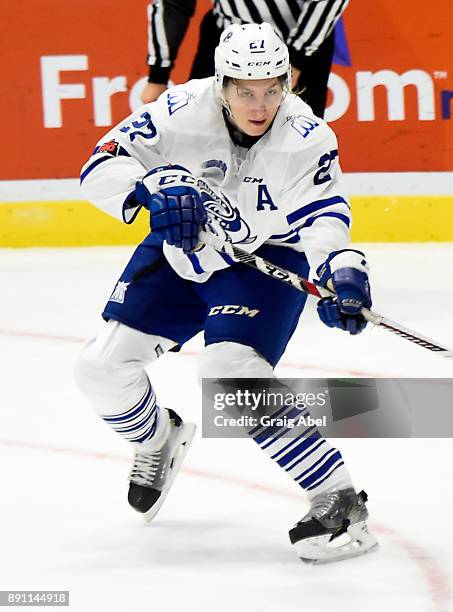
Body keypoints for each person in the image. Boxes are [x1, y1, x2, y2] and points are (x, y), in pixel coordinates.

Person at [76, 22, 378, 564]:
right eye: (245, 89)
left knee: (230, 376)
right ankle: (156, 440)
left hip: (265, 260)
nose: (259, 104)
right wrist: (146, 188)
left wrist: (342, 274)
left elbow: (326, 218)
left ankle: (338, 501)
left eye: (272, 88)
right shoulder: (178, 109)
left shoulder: (307, 137)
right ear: (221, 83)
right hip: (183, 247)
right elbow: (99, 164)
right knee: (99, 368)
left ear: (288, 82)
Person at [142, 0, 349, 117]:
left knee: (294, 146)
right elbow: (174, 4)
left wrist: (297, 57)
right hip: (225, 39)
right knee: (203, 137)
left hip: (297, 42)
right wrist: (158, 75)